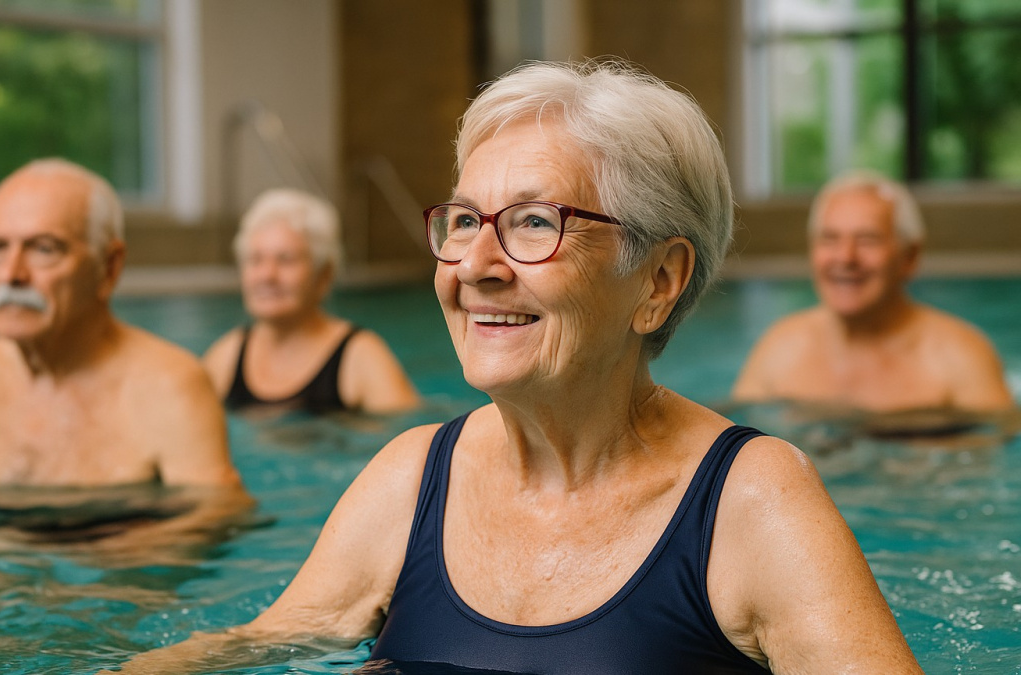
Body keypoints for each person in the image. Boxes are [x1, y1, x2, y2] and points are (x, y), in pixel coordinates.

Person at [105, 60, 923, 674]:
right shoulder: (412, 477)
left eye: (534, 222)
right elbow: (252, 645)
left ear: (658, 281)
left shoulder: (754, 504)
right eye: (464, 220)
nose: (475, 264)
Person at [0, 158, 248, 500]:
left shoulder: (169, 388)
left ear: (109, 267)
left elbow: (214, 516)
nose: (12, 274)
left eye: (43, 249)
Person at [732, 170, 1014, 414]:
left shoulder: (961, 359)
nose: (845, 257)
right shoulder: (779, 349)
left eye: (868, 240)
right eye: (829, 239)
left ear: (909, 257)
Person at [202, 188, 419, 415]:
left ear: (323, 275)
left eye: (286, 260)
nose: (267, 275)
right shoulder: (226, 356)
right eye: (256, 260)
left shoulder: (361, 357)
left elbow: (411, 440)